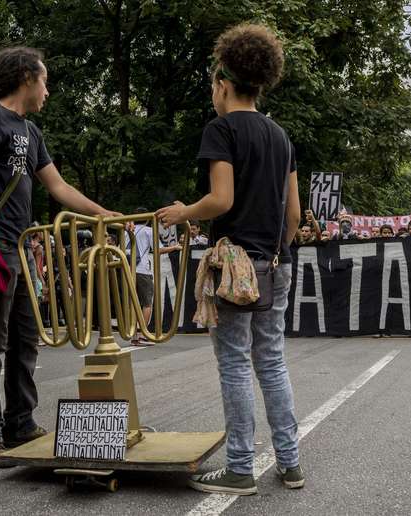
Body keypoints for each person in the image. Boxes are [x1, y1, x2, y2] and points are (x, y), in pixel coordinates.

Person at [0, 46, 117, 468]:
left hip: (22, 249)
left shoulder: (31, 132)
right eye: (45, 81)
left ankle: (20, 423)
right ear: (26, 77)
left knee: (26, 340)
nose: (48, 91)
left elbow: (58, 188)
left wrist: (104, 213)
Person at [157, 24, 304, 494]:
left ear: (223, 82)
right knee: (273, 362)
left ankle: (241, 467)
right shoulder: (281, 136)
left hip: (235, 266)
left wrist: (184, 212)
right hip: (277, 263)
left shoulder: (221, 129)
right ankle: (290, 461)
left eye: (212, 86)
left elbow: (220, 200)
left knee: (236, 364)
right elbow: (294, 213)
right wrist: (275, 250)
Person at [125, 208, 181, 346]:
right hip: (143, 269)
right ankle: (142, 334)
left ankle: (133, 334)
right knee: (147, 303)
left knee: (133, 303)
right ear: (148, 218)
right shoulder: (148, 231)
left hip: (127, 269)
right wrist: (174, 247)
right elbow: (158, 250)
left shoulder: (127, 231)